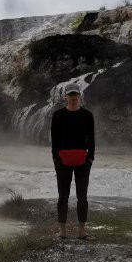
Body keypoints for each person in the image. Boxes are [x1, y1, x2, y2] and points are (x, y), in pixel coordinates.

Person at [50, 82, 95, 239]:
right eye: (70, 94)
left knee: (82, 197)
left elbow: (91, 139)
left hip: (83, 161)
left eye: (75, 94)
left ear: (79, 95)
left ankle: (82, 231)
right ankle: (62, 231)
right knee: (63, 197)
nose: (73, 97)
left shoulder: (87, 115)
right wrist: (56, 159)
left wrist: (90, 158)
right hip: (62, 161)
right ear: (65, 97)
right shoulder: (58, 115)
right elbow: (54, 140)